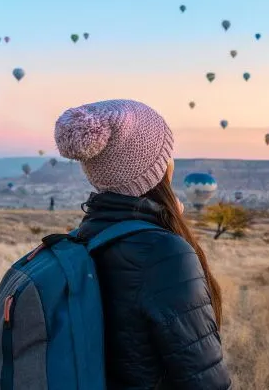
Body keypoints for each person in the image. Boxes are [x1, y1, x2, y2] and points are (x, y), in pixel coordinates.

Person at [54, 99, 231, 389]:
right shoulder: (163, 253)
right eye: (167, 153)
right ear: (158, 167)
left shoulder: (85, 238)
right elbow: (206, 381)